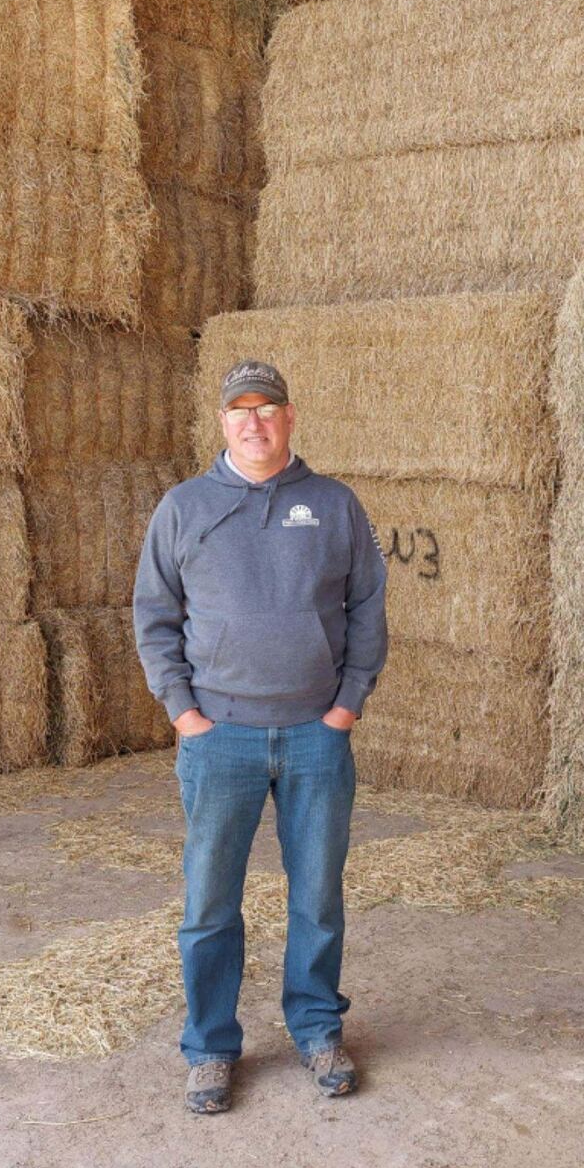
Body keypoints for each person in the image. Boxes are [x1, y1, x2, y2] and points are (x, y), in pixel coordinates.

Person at [134, 359, 388, 1115]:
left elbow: (368, 610)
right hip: (221, 741)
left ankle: (316, 1029)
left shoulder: (334, 505)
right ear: (221, 423)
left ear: (290, 416)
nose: (254, 422)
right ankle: (211, 1048)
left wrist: (344, 707)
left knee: (317, 894)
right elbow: (154, 620)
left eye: (267, 408)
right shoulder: (182, 509)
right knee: (210, 902)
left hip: (315, 736)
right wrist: (185, 714)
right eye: (239, 410)